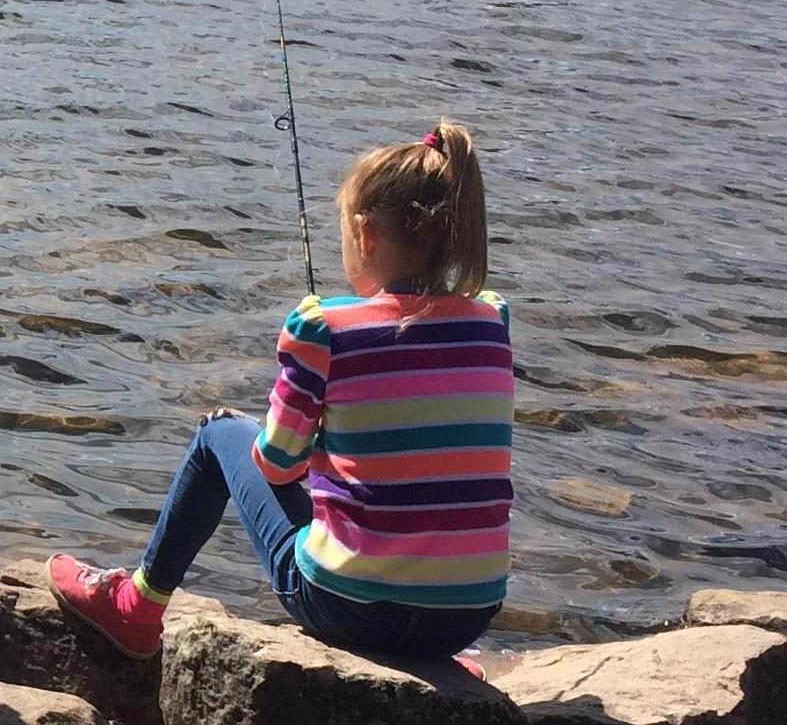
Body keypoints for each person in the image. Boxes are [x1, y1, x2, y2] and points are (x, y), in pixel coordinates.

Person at [49, 120, 511, 665]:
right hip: (465, 617)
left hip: (346, 608)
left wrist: (313, 447)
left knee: (219, 433)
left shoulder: (324, 326)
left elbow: (274, 467)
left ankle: (138, 607)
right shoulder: (492, 319)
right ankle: (422, 630)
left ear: (365, 234)